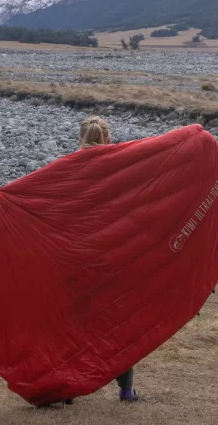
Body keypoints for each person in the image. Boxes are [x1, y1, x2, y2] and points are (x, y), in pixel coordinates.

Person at [79, 116, 139, 403]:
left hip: (75, 258)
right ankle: (126, 389)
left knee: (73, 323)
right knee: (119, 323)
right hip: (112, 257)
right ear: (108, 140)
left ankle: (68, 387)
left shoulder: (65, 168)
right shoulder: (118, 162)